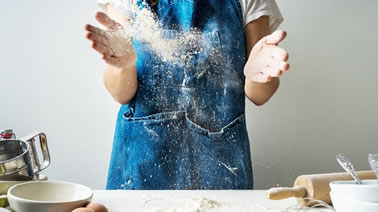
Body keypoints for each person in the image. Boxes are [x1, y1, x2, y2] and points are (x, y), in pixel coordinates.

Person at [84, 0, 289, 190]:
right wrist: (125, 64)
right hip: (142, 164)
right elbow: (121, 94)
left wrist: (259, 75)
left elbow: (259, 95)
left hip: (221, 167)